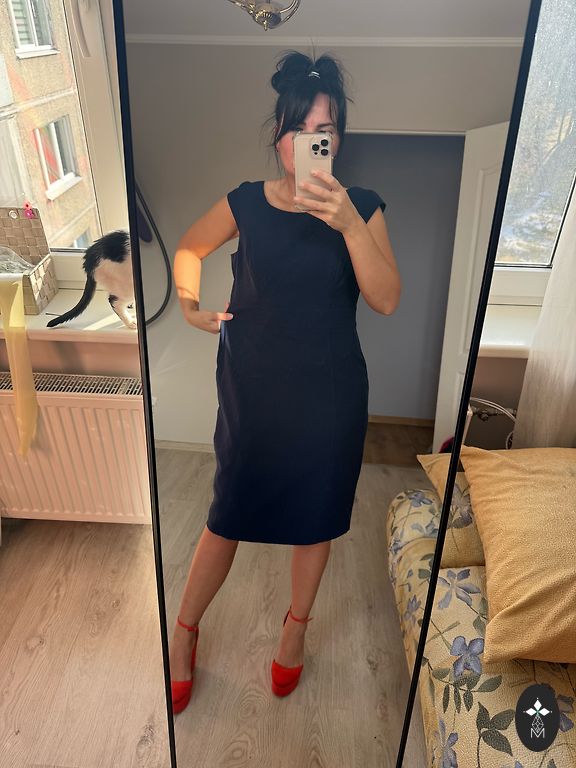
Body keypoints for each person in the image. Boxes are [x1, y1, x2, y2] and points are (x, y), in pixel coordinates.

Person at [169, 50, 401, 712]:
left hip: (329, 397)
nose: (310, 142)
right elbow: (189, 247)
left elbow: (386, 298)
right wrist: (188, 303)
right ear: (280, 138)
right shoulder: (246, 201)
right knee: (227, 515)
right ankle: (184, 631)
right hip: (253, 390)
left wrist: (348, 224)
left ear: (338, 140)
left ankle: (294, 631)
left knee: (314, 521)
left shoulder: (362, 207)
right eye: (300, 130)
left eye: (324, 131)